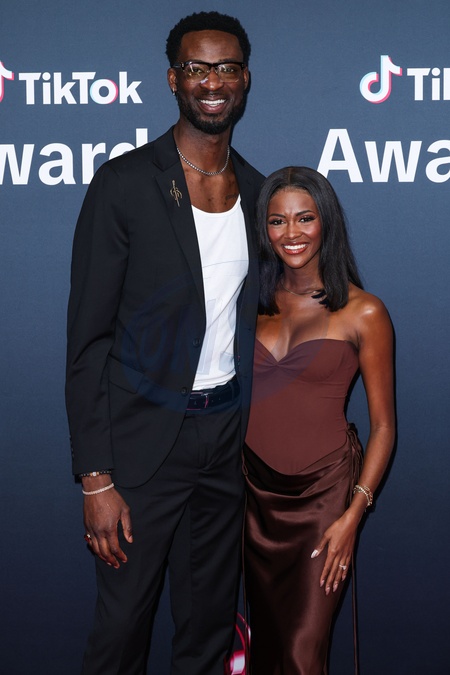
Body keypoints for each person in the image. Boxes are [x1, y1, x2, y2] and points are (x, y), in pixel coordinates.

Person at [65, 11, 263, 675]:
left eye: (227, 67)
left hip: (224, 442)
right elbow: (87, 340)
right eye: (197, 68)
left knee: (207, 631)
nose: (213, 81)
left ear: (246, 80)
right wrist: (96, 478)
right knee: (121, 632)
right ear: (174, 79)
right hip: (141, 447)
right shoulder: (125, 184)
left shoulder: (259, 191)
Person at [243, 167, 395, 674]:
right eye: (277, 221)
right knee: (265, 651)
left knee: (302, 653)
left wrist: (354, 514)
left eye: (304, 218)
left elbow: (384, 427)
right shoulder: (248, 306)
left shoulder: (363, 312)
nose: (291, 233)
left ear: (325, 222)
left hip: (324, 501)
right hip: (252, 499)